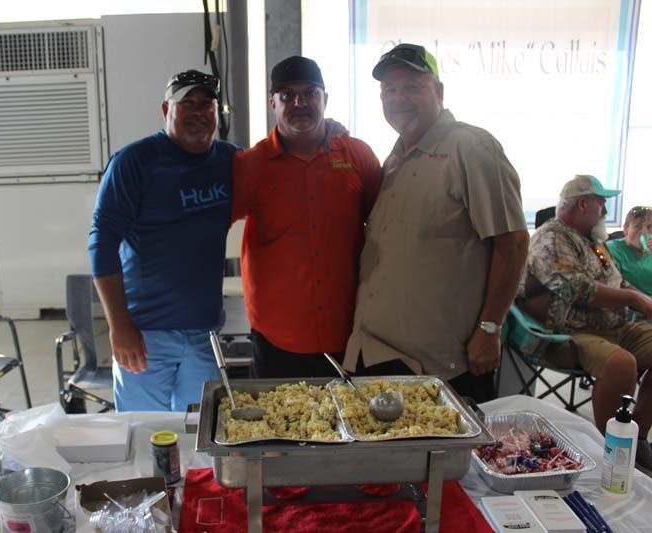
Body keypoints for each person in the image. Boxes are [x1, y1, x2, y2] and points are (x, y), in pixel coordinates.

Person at [342, 43, 529, 403]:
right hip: (377, 354)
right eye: (389, 90)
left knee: (444, 460)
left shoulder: (471, 148)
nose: (399, 98)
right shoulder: (396, 157)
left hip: (441, 367)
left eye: (412, 86)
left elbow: (514, 243)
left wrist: (489, 329)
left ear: (439, 91)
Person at [88, 70, 236, 411]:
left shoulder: (231, 161)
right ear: (165, 109)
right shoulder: (135, 162)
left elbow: (277, 163)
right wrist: (119, 325)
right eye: (188, 103)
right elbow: (102, 242)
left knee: (201, 436)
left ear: (217, 113)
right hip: (145, 335)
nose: (198, 112)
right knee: (144, 437)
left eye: (207, 104)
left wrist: (329, 134)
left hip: (205, 333)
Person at [232, 56, 382, 378]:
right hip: (276, 339)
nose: (299, 102)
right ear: (272, 103)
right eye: (287, 95)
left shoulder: (357, 155)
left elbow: (388, 227)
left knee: (348, 426)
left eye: (310, 92)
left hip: (350, 334)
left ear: (325, 99)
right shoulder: (250, 165)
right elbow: (205, 226)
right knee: (281, 429)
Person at [519, 174, 652, 470]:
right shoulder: (552, 237)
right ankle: (610, 449)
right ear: (582, 205)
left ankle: (635, 436)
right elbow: (576, 289)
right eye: (601, 204)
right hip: (570, 332)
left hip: (614, 327)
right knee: (621, 364)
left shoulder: (593, 241)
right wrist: (632, 300)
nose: (605, 212)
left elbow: (617, 281)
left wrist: (640, 297)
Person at [606, 206, 652, 295]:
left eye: (650, 227)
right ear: (626, 228)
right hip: (629, 304)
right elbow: (617, 285)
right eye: (637, 226)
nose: (644, 232)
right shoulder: (611, 249)